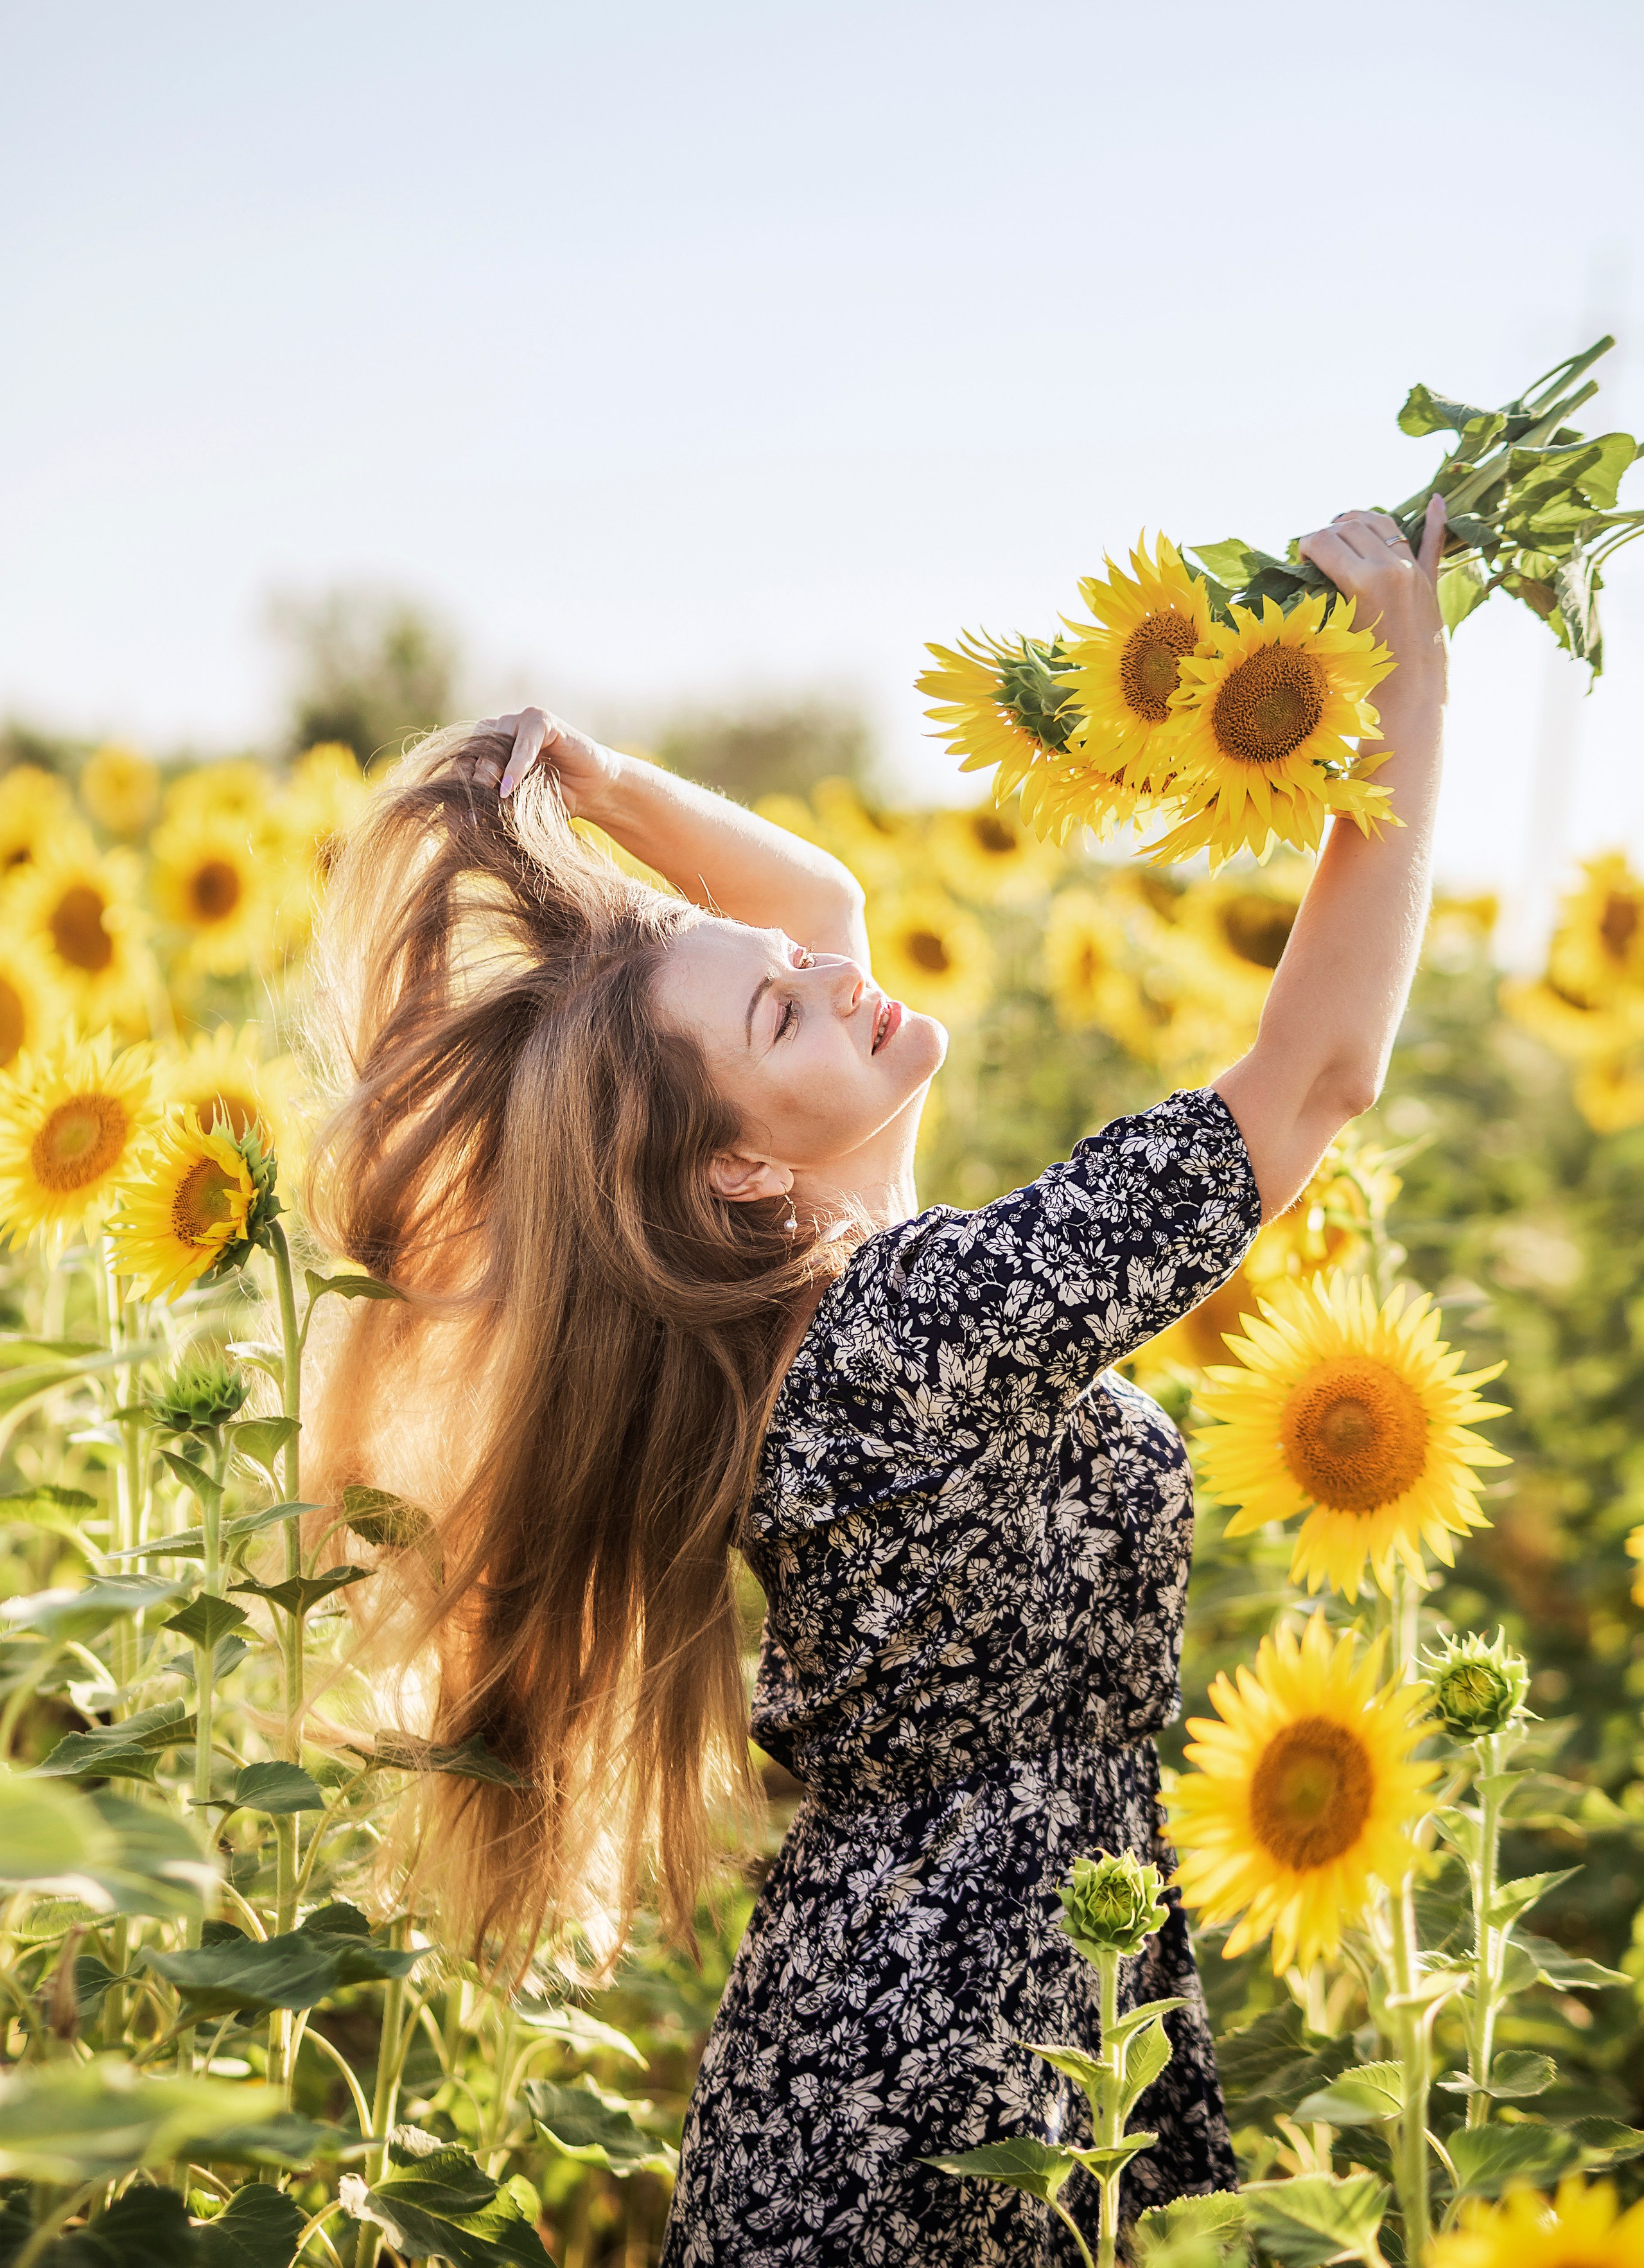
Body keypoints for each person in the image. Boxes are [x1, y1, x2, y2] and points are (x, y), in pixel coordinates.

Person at [302, 500, 1449, 2265]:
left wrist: (601, 785)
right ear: (742, 1171)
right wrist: (1408, 696)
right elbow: (1313, 1082)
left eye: (791, 979)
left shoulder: (820, 1305)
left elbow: (817, 908)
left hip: (907, 1992)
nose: (837, 975)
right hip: (953, 2049)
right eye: (783, 1016)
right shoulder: (917, 1329)